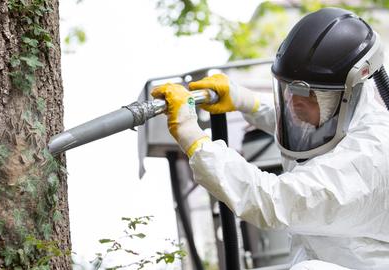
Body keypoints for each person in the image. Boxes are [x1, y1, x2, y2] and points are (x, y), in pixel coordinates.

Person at [151, 7, 389, 270]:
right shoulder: (343, 119)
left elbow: (271, 201)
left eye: (306, 93)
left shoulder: (369, 158)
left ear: (348, 92)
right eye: (287, 89)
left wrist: (191, 135)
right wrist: (246, 101)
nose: (293, 102)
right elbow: (305, 122)